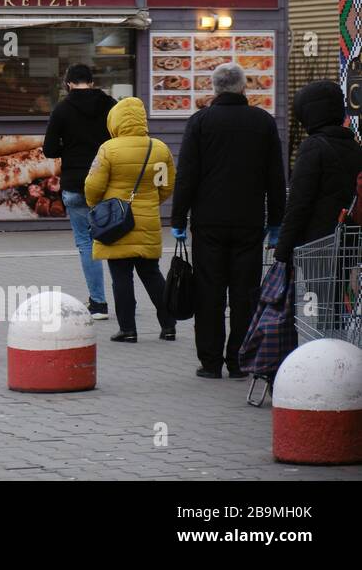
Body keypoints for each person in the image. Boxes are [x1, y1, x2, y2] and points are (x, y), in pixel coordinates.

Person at [170, 63, 286, 380]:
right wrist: (276, 222)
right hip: (250, 222)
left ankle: (210, 362)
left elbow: (187, 176)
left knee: (209, 291)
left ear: (214, 88)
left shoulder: (200, 122)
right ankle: (239, 360)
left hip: (208, 223)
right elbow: (276, 178)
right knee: (245, 293)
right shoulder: (263, 123)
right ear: (243, 87)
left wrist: (178, 219)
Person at [82, 97, 177, 344]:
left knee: (121, 277)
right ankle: (168, 325)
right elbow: (166, 186)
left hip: (117, 224)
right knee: (153, 275)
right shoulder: (159, 148)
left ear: (115, 120)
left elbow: (93, 186)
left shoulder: (108, 149)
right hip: (148, 221)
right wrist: (151, 201)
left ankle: (128, 329)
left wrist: (96, 206)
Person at [41, 64, 116, 320]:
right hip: (108, 181)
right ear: (92, 82)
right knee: (115, 240)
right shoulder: (111, 105)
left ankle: (98, 303)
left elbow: (49, 149)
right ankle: (126, 301)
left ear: (68, 83)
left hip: (76, 183)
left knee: (87, 244)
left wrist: (69, 147)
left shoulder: (62, 109)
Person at [273, 80, 362, 268]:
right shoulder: (355, 147)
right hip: (350, 242)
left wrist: (282, 252)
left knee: (319, 295)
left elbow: (299, 203)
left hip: (318, 245)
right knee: (338, 296)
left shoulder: (313, 147)